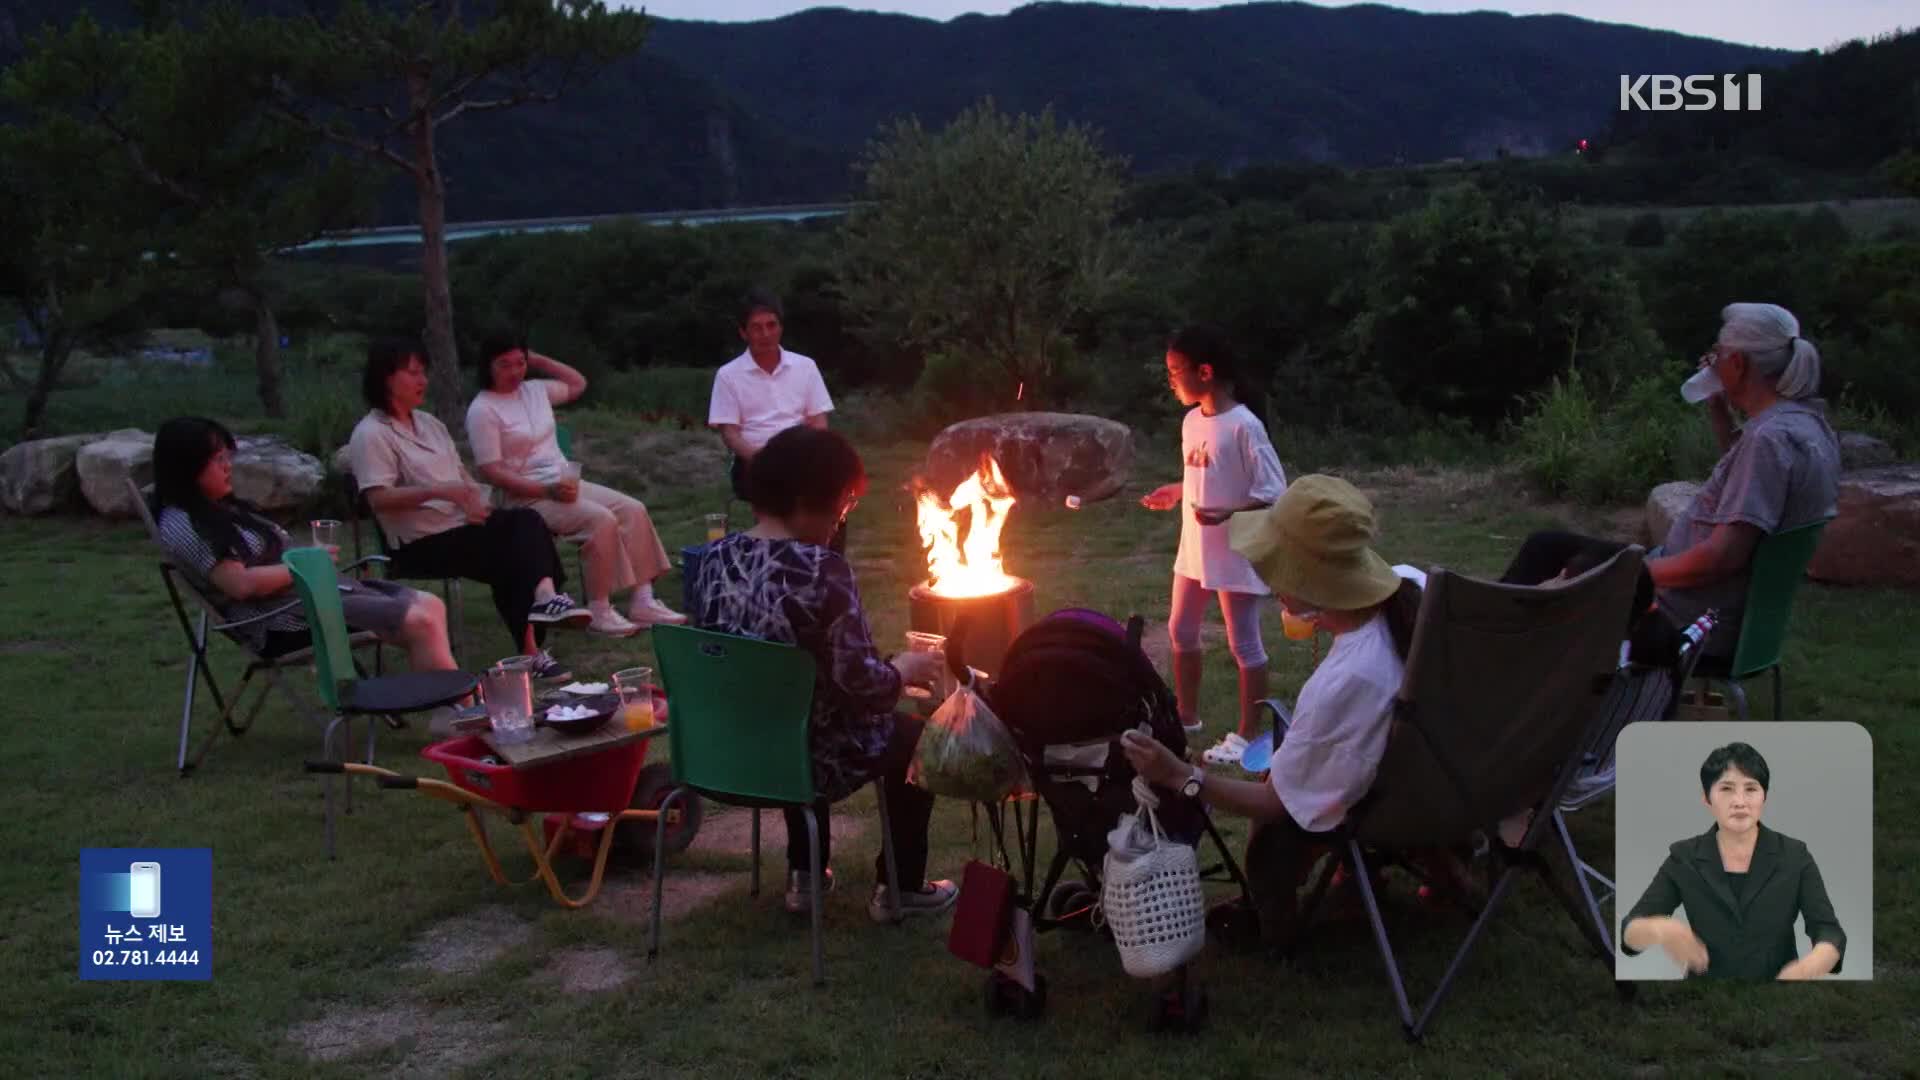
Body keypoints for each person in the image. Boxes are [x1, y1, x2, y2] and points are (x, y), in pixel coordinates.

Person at [1121, 475, 1425, 947]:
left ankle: (1278, 927)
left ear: (1311, 577)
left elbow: (1276, 805)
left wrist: (1178, 773)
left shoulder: (1348, 680)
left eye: (1274, 564)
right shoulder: (1414, 588)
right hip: (1444, 784)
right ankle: (1425, 874)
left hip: (1382, 803)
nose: (1265, 577)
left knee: (1270, 831)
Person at [689, 425, 957, 921]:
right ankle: (902, 888)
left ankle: (806, 874)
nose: (841, 519)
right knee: (913, 737)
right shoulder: (821, 571)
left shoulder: (710, 559)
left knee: (791, 707)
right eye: (840, 505)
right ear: (805, 499)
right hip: (802, 757)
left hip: (727, 749)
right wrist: (904, 668)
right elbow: (864, 689)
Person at [1500, 302, 1840, 662]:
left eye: (1719, 354)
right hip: (1718, 604)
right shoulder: (1806, 426)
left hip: (1689, 616)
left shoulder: (1768, 441)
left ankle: (1487, 646)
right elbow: (1747, 474)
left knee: (1579, 568)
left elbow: (1720, 559)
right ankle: (1489, 637)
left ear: (1738, 363)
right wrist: (1719, 410)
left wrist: (1632, 574)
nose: (1714, 361)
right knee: (1548, 546)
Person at [347, 338, 589, 682]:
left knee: (523, 525)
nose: (423, 381)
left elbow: (462, 477)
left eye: (423, 373)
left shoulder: (430, 424)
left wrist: (476, 502)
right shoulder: (371, 434)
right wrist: (442, 492)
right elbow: (379, 499)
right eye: (413, 373)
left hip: (459, 525)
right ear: (386, 379)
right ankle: (537, 631)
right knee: (513, 544)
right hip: (420, 541)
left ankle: (543, 607)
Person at [150, 416, 459, 674]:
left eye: (228, 457)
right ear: (187, 467)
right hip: (280, 619)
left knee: (430, 605)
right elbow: (242, 586)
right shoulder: (184, 524)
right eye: (219, 460)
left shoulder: (214, 507)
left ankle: (451, 709)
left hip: (311, 594)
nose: (228, 466)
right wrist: (309, 564)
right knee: (419, 621)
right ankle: (460, 712)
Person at [464, 332, 686, 636]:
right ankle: (599, 610)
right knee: (600, 520)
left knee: (632, 509)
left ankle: (643, 600)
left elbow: (578, 383)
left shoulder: (535, 391)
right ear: (487, 366)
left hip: (562, 482)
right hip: (525, 496)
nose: (515, 372)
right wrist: (545, 491)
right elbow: (491, 470)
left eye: (520, 363)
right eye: (505, 365)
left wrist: (537, 359)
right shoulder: (483, 409)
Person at [1138, 324, 1288, 767]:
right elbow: (1207, 473)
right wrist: (1178, 489)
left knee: (1244, 643)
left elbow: (1274, 490)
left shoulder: (1244, 425)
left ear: (1204, 372)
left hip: (1234, 550)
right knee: (1180, 630)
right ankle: (1185, 717)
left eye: (1175, 371)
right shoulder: (1191, 421)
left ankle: (1246, 734)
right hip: (1195, 549)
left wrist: (1228, 513)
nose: (1170, 381)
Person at [1620, 742, 1846, 980]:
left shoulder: (1794, 855)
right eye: (1726, 789)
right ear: (1707, 799)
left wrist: (1807, 968)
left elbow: (1829, 931)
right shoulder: (1684, 858)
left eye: (1751, 789)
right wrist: (1660, 929)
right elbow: (1630, 931)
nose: (1740, 801)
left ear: (1764, 797)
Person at [707, 288, 845, 553]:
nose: (766, 334)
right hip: (755, 458)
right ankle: (781, 558)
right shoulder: (729, 375)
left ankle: (828, 560)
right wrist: (762, 459)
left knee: (834, 485)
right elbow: (731, 434)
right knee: (780, 489)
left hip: (802, 453)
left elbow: (818, 422)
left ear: (781, 328)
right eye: (757, 328)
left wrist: (811, 454)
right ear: (743, 333)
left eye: (771, 325)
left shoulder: (804, 367)